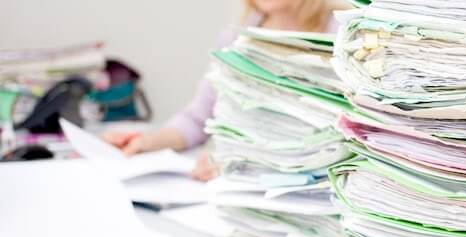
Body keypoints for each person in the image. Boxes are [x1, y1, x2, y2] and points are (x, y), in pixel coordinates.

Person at [103, 0, 348, 181]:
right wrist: (149, 141)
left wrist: (242, 162)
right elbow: (197, 118)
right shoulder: (234, 39)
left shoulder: (346, 32)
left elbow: (350, 135)